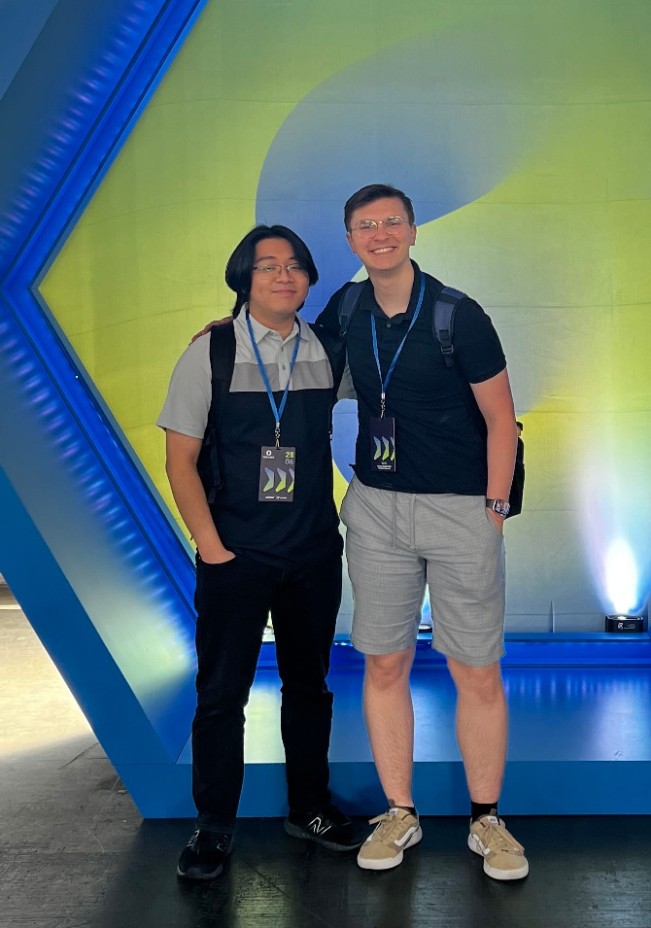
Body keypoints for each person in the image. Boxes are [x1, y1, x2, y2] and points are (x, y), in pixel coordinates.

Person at [315, 184, 529, 882]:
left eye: (391, 222)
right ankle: (399, 811)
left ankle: (487, 820)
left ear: (412, 231)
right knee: (383, 662)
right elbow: (296, 358)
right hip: (376, 507)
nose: (379, 234)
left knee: (476, 669)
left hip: (460, 508)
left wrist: (493, 509)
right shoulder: (346, 308)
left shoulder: (456, 315)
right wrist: (228, 332)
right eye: (364, 225)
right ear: (350, 239)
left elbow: (502, 419)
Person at [158, 224, 360, 881]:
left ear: (308, 280)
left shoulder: (328, 349)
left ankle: (311, 808)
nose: (284, 275)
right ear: (243, 278)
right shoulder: (210, 352)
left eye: (295, 266)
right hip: (235, 555)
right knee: (221, 695)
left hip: (310, 554)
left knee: (311, 687)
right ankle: (213, 827)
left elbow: (394, 382)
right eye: (268, 266)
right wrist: (212, 547)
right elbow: (180, 460)